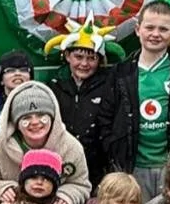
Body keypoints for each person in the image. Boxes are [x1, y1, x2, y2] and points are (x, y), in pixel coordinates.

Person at [105, 0, 170, 199]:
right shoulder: (121, 72)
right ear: (137, 29)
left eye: (163, 29)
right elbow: (106, 119)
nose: (155, 34)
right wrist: (115, 155)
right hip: (133, 168)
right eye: (149, 27)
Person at [46, 15, 123, 190]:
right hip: (61, 166)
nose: (84, 63)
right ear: (67, 56)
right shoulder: (54, 86)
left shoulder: (110, 87)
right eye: (78, 57)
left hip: (98, 169)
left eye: (91, 58)